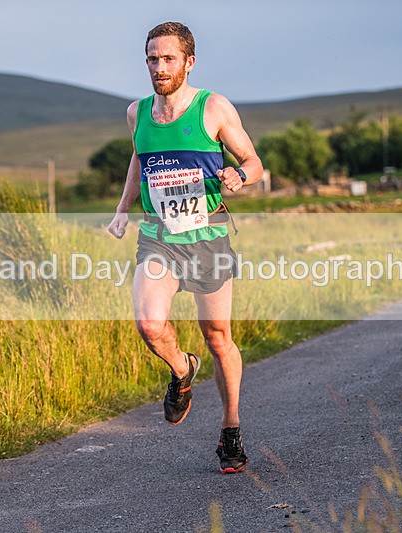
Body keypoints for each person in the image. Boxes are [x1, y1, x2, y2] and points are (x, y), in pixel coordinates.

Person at [107, 21, 263, 474]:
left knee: (217, 337)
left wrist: (239, 175)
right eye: (152, 58)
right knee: (149, 324)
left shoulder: (213, 108)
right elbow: (139, 160)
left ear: (189, 62)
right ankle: (181, 370)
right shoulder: (137, 113)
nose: (159, 67)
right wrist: (123, 208)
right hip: (159, 236)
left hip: (207, 236)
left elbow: (253, 161)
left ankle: (231, 429)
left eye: (168, 58)